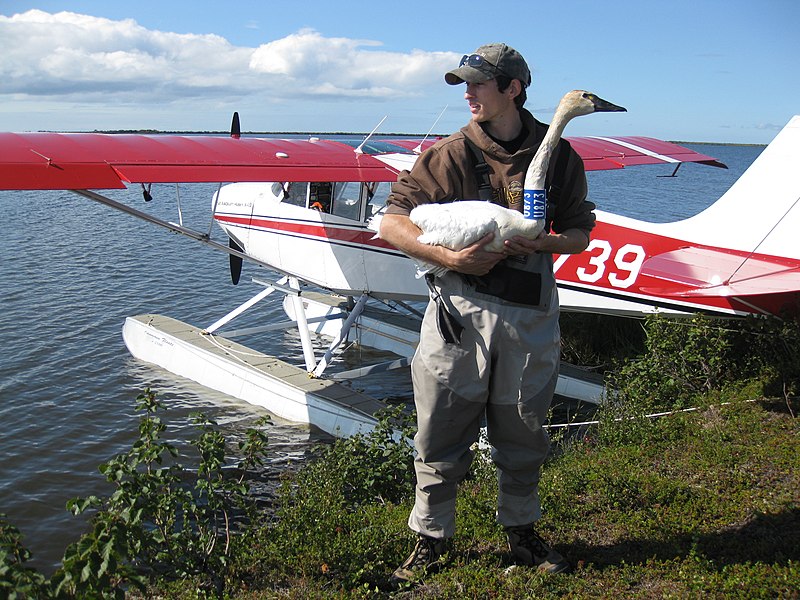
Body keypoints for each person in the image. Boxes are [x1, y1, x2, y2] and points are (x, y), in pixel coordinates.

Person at [379, 43, 595, 582]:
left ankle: (521, 532)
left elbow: (579, 235)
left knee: (524, 429)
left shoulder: (560, 154)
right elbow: (392, 222)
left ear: (513, 89)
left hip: (528, 317)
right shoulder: (449, 155)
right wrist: (449, 257)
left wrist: (540, 244)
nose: (468, 94)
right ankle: (430, 539)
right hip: (459, 314)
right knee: (439, 429)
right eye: (465, 85)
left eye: (478, 84)